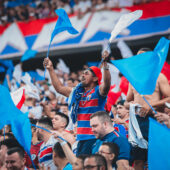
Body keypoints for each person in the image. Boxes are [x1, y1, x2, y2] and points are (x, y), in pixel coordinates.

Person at [43, 51, 111, 156]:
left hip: (94, 138)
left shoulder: (98, 91)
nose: (83, 76)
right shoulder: (76, 93)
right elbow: (59, 88)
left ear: (95, 78)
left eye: (86, 73)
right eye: (83, 73)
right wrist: (50, 69)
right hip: (80, 138)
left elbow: (106, 84)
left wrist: (105, 65)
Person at [125, 47, 170, 170]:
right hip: (137, 122)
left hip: (155, 120)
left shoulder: (159, 77)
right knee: (138, 159)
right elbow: (126, 102)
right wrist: (134, 106)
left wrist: (151, 106)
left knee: (156, 157)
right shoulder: (132, 78)